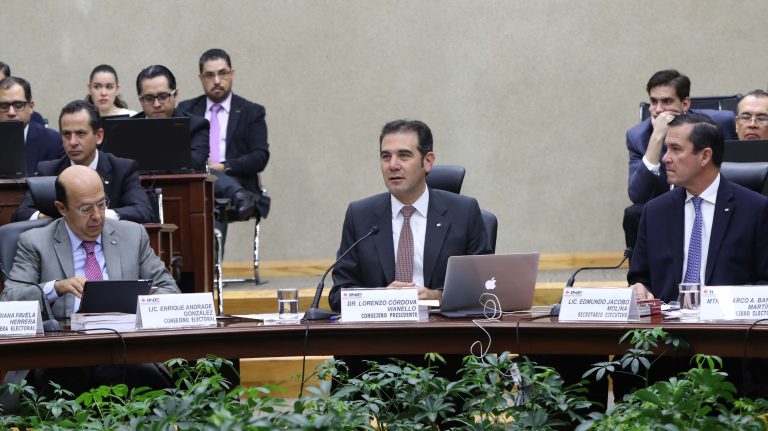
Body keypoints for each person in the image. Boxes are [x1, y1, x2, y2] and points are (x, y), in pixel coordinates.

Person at [1, 165, 179, 397]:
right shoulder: (35, 242)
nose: (97, 216)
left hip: (123, 349)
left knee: (155, 385)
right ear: (61, 208)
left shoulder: (132, 235)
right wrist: (56, 287)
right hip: (63, 355)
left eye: (101, 204)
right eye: (85, 209)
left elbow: (170, 290)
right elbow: (10, 298)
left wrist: (139, 301)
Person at [627, 112, 768, 399]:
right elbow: (640, 277)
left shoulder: (756, 209)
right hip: (665, 347)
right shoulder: (654, 212)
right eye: (666, 148)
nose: (666, 158)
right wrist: (638, 289)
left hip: (731, 349)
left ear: (705, 156)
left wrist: (716, 304)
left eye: (675, 149)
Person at [329, 119, 492, 311]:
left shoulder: (464, 212)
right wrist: (380, 298)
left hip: (442, 326)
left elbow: (484, 287)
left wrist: (438, 296)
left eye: (404, 156)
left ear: (428, 161)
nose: (393, 165)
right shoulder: (359, 216)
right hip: (381, 327)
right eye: (386, 157)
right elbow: (339, 294)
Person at [623, 70, 737, 250]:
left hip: (712, 201)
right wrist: (656, 137)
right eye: (653, 102)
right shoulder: (638, 136)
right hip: (665, 209)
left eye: (666, 101)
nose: (658, 110)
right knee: (634, 214)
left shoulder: (716, 124)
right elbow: (638, 195)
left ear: (685, 104)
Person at [12, 100, 154, 223]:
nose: (72, 142)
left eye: (80, 134)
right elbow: (20, 214)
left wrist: (98, 214)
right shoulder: (49, 170)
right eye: (66, 134)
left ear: (98, 136)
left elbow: (143, 211)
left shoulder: (122, 169)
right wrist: (47, 217)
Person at [178, 48, 270, 234]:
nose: (217, 80)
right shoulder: (186, 109)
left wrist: (224, 167)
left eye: (222, 73)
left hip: (234, 179)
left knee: (210, 196)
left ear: (232, 74)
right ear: (201, 78)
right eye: (209, 75)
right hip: (193, 179)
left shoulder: (251, 112)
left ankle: (211, 251)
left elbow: (259, 157)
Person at [132, 65, 209, 172]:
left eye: (163, 96)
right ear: (140, 100)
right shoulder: (127, 129)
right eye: (149, 98)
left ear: (175, 94)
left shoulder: (196, 126)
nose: (156, 104)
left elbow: (190, 166)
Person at [0, 76, 63, 175]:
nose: (11, 112)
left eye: (18, 105)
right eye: (4, 106)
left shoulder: (54, 142)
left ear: (31, 107)